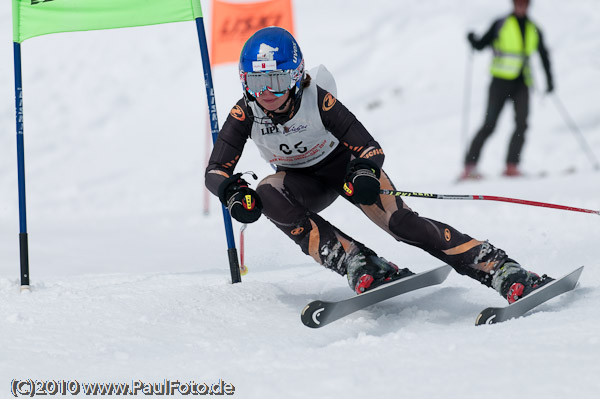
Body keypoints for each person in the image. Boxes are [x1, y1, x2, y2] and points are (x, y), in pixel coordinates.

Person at [205, 26, 552, 303]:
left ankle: (498, 268)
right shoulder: (245, 112)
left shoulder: (318, 100)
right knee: (267, 191)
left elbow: (368, 147)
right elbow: (216, 171)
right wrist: (233, 193)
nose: (266, 93)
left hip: (345, 170)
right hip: (302, 183)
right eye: (256, 81)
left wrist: (365, 171)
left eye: (277, 81)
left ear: (295, 77)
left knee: (402, 224)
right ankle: (356, 261)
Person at [460, 0, 554, 180]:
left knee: (521, 124)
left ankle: (512, 166)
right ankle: (469, 166)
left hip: (522, 83)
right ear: (513, 4)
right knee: (490, 124)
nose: (521, 6)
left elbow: (544, 55)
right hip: (499, 83)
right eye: (518, 3)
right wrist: (473, 40)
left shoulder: (534, 28)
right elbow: (481, 44)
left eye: (524, 4)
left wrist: (550, 80)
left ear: (528, 6)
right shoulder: (501, 24)